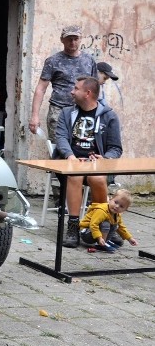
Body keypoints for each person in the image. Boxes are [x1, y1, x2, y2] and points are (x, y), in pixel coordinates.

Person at [54, 76, 123, 248]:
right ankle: (73, 227)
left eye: (76, 88)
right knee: (74, 176)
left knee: (98, 179)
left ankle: (106, 225)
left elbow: (116, 148)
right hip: (72, 163)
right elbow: (61, 137)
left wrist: (105, 158)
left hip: (96, 165)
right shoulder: (66, 113)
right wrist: (70, 155)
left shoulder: (109, 116)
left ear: (88, 93)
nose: (72, 91)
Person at [28, 25, 97, 142]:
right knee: (58, 148)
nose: (72, 42)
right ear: (62, 40)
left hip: (83, 111)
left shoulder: (89, 60)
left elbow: (95, 89)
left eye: (76, 39)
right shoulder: (53, 61)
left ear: (80, 39)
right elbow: (41, 89)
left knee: (82, 147)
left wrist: (96, 111)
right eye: (69, 39)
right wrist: (35, 116)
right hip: (58, 111)